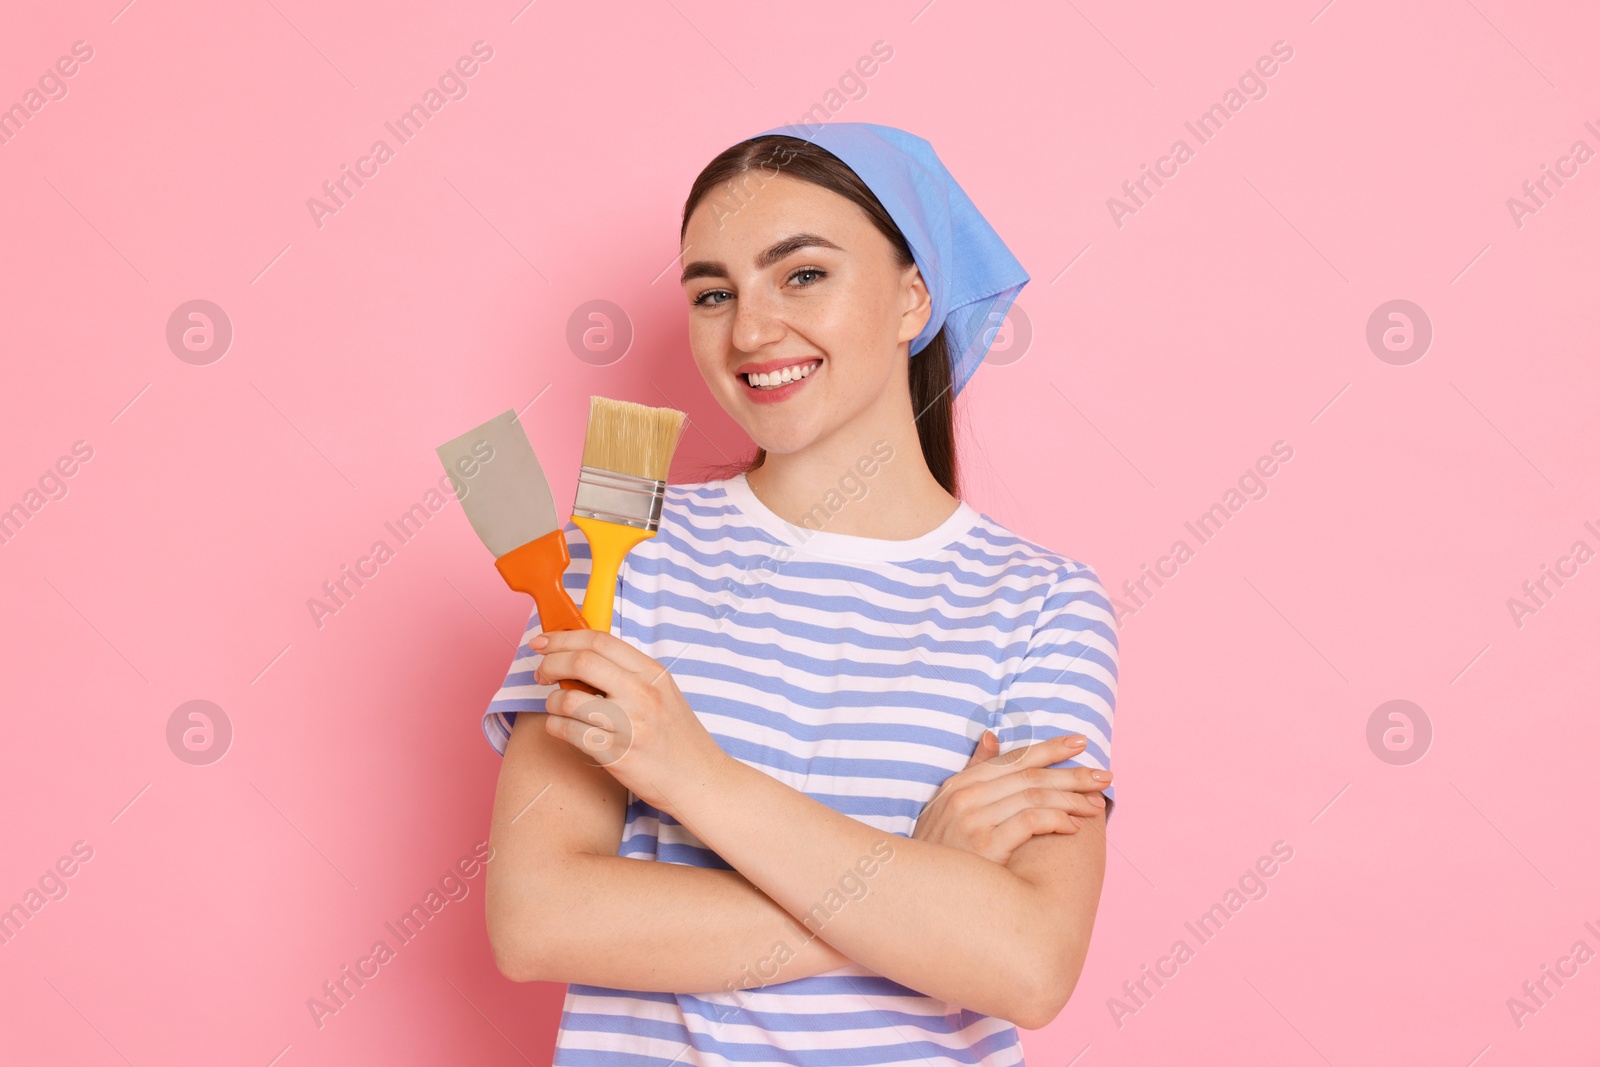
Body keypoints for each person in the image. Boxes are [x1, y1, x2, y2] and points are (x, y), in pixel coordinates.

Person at [480, 122, 1120, 1065]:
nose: (749, 329)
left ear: (915, 296)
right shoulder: (621, 559)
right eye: (712, 292)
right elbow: (537, 917)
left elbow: (1026, 964)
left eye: (803, 274)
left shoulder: (1044, 604)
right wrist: (925, 894)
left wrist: (694, 773)